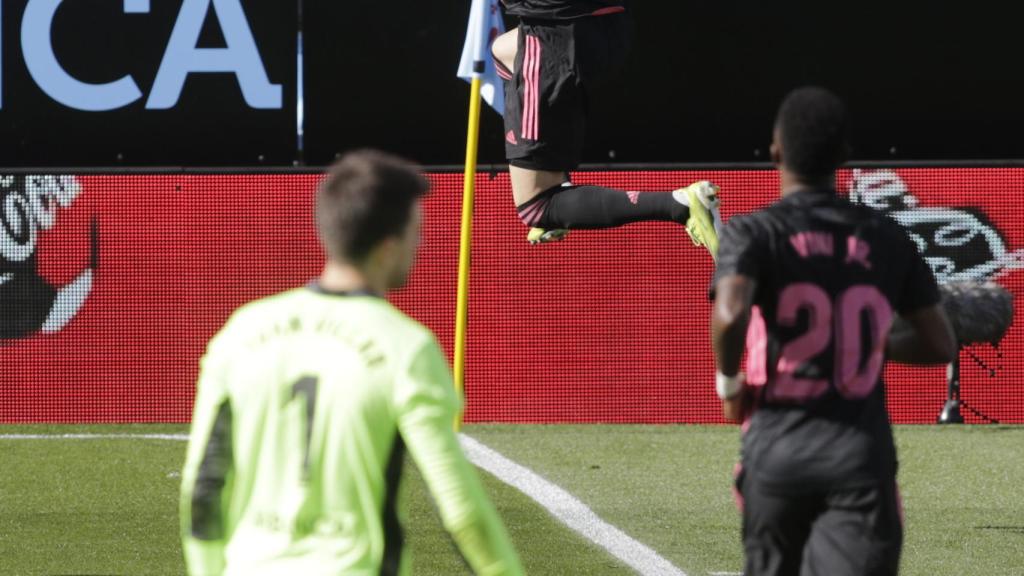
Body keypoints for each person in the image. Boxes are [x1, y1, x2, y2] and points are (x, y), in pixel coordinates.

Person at [179, 150, 524, 576]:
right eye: (417, 231)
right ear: (388, 246)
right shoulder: (408, 348)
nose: (423, 244)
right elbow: (461, 513)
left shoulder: (241, 331)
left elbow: (203, 489)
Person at [710, 87, 957, 576]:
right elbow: (939, 342)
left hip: (776, 449)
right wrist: (866, 343)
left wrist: (728, 384)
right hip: (857, 455)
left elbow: (731, 312)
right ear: (844, 156)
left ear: (776, 151)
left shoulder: (752, 231)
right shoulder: (888, 236)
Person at [491, 0, 722, 255]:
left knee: (536, 206)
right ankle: (559, 191)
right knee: (503, 50)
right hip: (609, 27)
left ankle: (682, 205)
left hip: (556, 39)